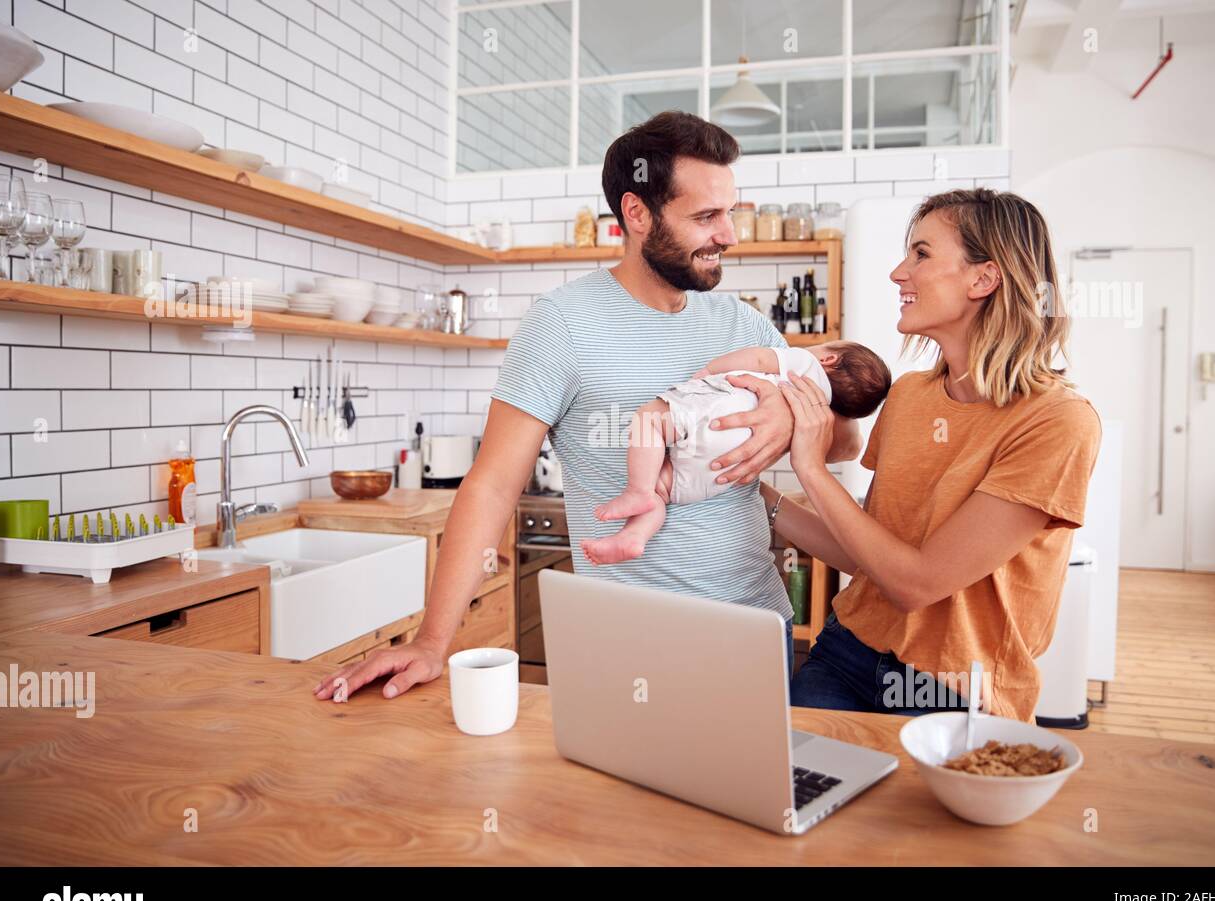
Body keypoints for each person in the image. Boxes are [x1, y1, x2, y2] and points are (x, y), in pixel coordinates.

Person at [314, 111, 860, 702]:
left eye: (729, 211)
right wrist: (430, 642)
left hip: (758, 629)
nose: (728, 234)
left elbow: (847, 444)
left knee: (753, 794)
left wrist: (791, 417)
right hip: (630, 643)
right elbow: (493, 486)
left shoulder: (744, 324)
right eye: (706, 216)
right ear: (637, 213)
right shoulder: (563, 324)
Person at [763, 188, 1101, 723]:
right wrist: (759, 497)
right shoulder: (910, 395)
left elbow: (914, 583)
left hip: (957, 693)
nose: (899, 273)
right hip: (845, 656)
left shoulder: (1056, 422)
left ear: (983, 278)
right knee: (792, 794)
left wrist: (809, 465)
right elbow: (865, 558)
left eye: (921, 254)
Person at [583, 341, 889, 565]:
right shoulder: (816, 407)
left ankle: (637, 490)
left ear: (829, 357)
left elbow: (757, 359)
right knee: (663, 489)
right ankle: (635, 536)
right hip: (729, 462)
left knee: (649, 421)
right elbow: (846, 440)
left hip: (728, 407)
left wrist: (708, 371)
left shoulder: (805, 364)